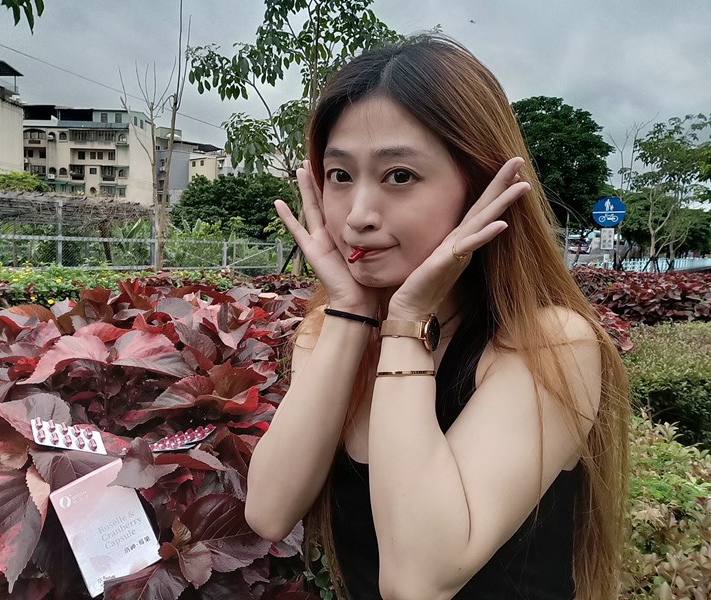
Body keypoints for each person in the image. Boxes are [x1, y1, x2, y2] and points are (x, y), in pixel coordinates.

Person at [245, 36, 630, 600]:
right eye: (340, 175)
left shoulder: (546, 344)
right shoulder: (329, 329)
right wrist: (351, 313)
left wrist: (406, 324)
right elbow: (269, 512)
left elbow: (417, 580)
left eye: (399, 175)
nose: (358, 216)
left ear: (480, 186)